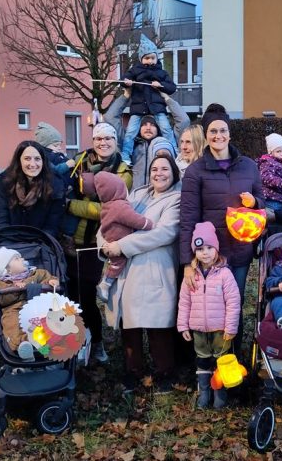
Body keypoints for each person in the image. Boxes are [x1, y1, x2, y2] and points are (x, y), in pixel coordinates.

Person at [180, 103, 265, 356]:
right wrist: (187, 260)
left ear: (230, 133)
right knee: (209, 307)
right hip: (209, 254)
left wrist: (255, 202)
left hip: (239, 250)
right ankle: (210, 362)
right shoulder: (196, 171)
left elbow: (262, 203)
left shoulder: (249, 166)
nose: (219, 136)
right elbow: (188, 218)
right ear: (206, 135)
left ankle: (234, 363)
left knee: (233, 306)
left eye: (223, 130)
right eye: (213, 131)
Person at [98, 155, 182, 393]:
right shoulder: (135, 195)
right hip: (127, 270)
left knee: (158, 325)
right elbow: (109, 219)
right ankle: (133, 371)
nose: (159, 173)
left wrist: (122, 246)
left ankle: (164, 372)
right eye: (155, 169)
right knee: (130, 325)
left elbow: (165, 233)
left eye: (165, 169)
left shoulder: (176, 199)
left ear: (174, 172)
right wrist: (104, 243)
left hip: (154, 269)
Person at [64, 122, 132, 363]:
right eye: (98, 138)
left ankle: (97, 343)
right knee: (69, 293)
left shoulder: (123, 170)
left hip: (98, 241)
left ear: (116, 141)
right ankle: (73, 342)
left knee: (87, 293)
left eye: (108, 139)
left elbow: (110, 209)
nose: (103, 143)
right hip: (71, 239)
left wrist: (72, 206)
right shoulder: (79, 161)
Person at [177, 221, 241, 408]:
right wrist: (183, 325)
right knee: (203, 360)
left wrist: (231, 327)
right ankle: (204, 391)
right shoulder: (191, 276)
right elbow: (184, 301)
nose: (205, 252)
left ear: (217, 249)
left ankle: (220, 394)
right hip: (198, 328)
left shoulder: (224, 274)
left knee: (221, 360)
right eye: (200, 249)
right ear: (194, 252)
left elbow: (233, 302)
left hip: (221, 329)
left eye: (209, 248)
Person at [79, 171, 153, 301]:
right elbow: (133, 219)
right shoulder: (120, 206)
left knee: (113, 263)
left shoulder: (107, 204)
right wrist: (148, 224)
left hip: (109, 237)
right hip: (116, 240)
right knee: (118, 264)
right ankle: (105, 284)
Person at [0, 247, 59, 360]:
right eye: (17, 259)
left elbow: (48, 278)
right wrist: (14, 289)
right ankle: (24, 346)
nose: (22, 259)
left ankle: (44, 350)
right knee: (11, 324)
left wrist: (51, 281)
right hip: (13, 309)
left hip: (36, 306)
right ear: (7, 269)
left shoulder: (36, 273)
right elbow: (1, 300)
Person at [120, 34, 177, 163]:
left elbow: (172, 87)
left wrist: (161, 86)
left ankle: (174, 152)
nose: (150, 61)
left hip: (157, 108)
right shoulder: (135, 70)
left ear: (157, 58)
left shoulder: (161, 72)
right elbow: (123, 80)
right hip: (138, 109)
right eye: (147, 58)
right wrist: (127, 82)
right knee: (130, 132)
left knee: (166, 129)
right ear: (141, 59)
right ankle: (125, 156)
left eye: (152, 58)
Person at [0, 141, 66, 237]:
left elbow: (52, 226)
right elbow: (2, 219)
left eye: (37, 159)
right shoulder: (6, 182)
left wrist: (34, 245)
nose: (32, 164)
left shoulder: (55, 185)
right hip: (10, 240)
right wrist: (10, 243)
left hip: (42, 242)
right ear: (19, 161)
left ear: (43, 161)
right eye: (27, 159)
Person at [33, 122, 77, 246]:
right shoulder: (43, 157)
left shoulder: (56, 155)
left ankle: (68, 236)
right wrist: (67, 164)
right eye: (55, 145)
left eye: (59, 145)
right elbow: (53, 170)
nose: (58, 147)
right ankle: (67, 236)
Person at [257, 133, 282, 212]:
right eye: (278, 151)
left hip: (280, 199)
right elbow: (265, 176)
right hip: (271, 199)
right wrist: (280, 183)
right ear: (271, 152)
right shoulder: (268, 162)